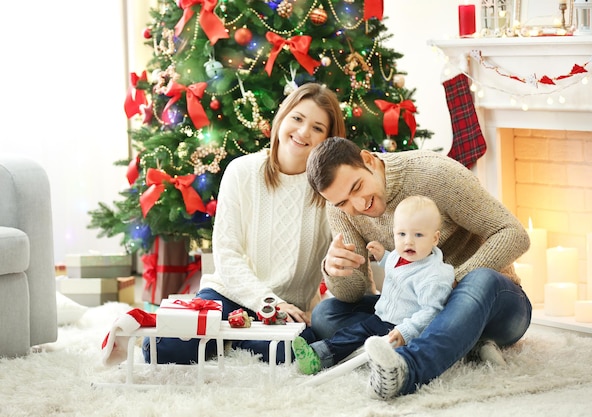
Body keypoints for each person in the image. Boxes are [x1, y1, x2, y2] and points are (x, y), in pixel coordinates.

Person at [305, 136, 532, 400]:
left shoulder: (434, 174)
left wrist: (450, 284)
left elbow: (514, 234)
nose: (356, 205)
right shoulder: (341, 210)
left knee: (480, 280)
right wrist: (335, 270)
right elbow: (353, 294)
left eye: (357, 187)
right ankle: (462, 344)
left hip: (491, 305)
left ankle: (408, 369)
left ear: (368, 160)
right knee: (326, 314)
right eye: (342, 202)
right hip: (417, 308)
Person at [142, 83, 346, 365]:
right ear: (283, 117)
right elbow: (226, 254)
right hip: (229, 295)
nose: (302, 133)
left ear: (328, 138)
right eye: (297, 119)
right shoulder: (242, 171)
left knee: (288, 354)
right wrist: (267, 304)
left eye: (317, 128)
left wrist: (317, 307)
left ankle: (230, 339)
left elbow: (339, 261)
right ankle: (231, 335)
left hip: (288, 308)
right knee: (162, 347)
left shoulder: (329, 191)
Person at [291, 195, 454, 375]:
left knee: (355, 336)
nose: (408, 241)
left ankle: (319, 357)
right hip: (382, 315)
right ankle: (317, 351)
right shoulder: (401, 257)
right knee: (353, 332)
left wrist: (406, 331)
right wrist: (383, 256)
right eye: (401, 234)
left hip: (399, 327)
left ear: (434, 238)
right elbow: (396, 270)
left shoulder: (433, 276)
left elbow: (431, 312)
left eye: (418, 235)